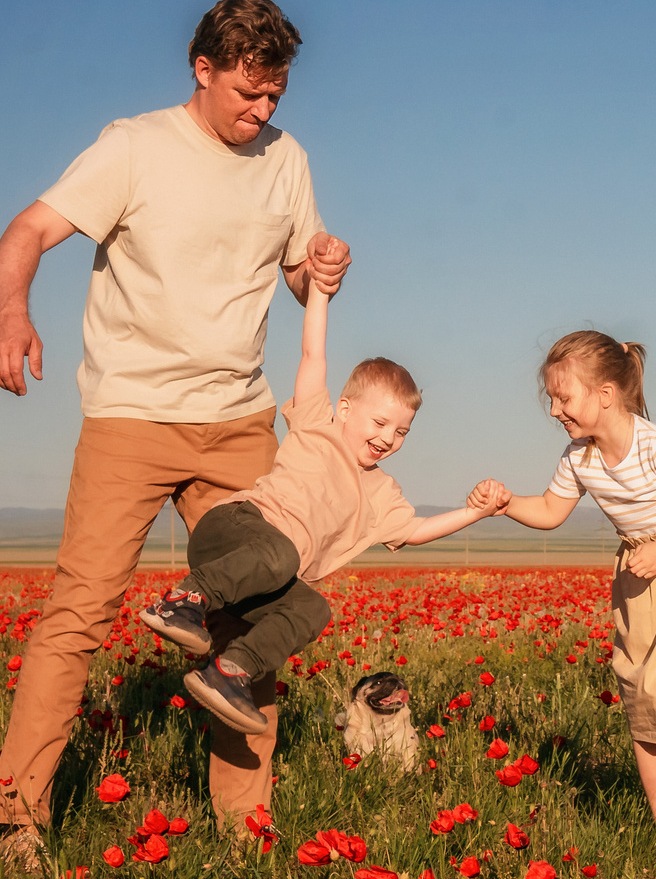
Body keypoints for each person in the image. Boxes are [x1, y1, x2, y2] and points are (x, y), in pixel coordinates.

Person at [0, 0, 349, 871]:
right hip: (132, 417)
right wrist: (10, 312)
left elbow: (299, 275)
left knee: (254, 615)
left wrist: (321, 267)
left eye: (276, 94)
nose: (263, 110)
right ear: (203, 69)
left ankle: (244, 830)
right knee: (80, 612)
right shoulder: (134, 147)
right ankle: (17, 820)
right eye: (249, 93)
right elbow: (28, 229)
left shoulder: (288, 159)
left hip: (239, 422)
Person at [137, 281, 494, 729]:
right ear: (344, 409)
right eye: (380, 422)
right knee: (281, 553)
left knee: (312, 608)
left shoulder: (381, 492)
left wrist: (476, 512)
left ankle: (230, 673)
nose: (388, 437)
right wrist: (320, 294)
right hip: (231, 533)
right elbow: (313, 356)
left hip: (262, 580)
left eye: (401, 431)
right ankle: (182, 600)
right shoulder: (315, 425)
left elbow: (416, 530)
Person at [471, 333, 656, 843]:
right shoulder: (578, 458)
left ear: (605, 394)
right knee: (640, 694)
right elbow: (551, 511)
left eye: (564, 398)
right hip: (639, 574)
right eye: (551, 399)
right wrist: (506, 503)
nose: (555, 410)